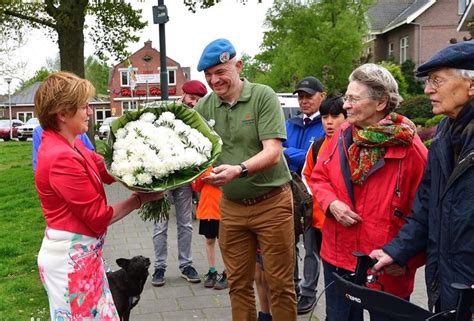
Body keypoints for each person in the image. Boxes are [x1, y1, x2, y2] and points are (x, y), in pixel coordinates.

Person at [34, 71, 163, 320]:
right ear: (62, 113)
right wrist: (140, 199)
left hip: (83, 257)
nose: (90, 111)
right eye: (84, 106)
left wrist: (144, 159)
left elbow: (106, 172)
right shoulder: (61, 157)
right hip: (70, 263)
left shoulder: (73, 143)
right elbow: (97, 217)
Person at [310, 63, 428, 321]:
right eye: (346, 98)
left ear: (381, 102)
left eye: (353, 99)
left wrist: (406, 259)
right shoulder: (342, 135)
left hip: (385, 262)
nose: (346, 106)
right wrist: (331, 204)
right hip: (339, 255)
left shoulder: (413, 151)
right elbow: (319, 177)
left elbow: (427, 212)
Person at [194, 38, 296, 321]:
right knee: (238, 284)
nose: (214, 80)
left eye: (220, 72)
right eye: (208, 75)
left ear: (238, 66)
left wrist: (238, 169)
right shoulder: (205, 106)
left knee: (280, 285)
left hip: (272, 204)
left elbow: (273, 151)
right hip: (232, 206)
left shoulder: (263, 95)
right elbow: (192, 151)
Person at [370, 41, 474, 316]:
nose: (427, 89)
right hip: (446, 285)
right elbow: (425, 207)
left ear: (471, 86)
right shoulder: (442, 137)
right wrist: (396, 251)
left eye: (436, 81)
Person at [151, 79, 208, 287]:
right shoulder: (166, 112)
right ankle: (159, 267)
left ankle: (186, 264)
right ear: (183, 93)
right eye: (192, 98)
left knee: (185, 223)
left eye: (198, 100)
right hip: (163, 178)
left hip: (184, 177)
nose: (194, 103)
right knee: (160, 224)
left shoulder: (197, 116)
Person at [298, 94, 347, 315]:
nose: (329, 122)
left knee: (340, 269)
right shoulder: (317, 147)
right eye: (325, 116)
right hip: (316, 217)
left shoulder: (353, 145)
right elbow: (306, 176)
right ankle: (308, 293)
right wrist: (321, 197)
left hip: (341, 221)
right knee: (312, 254)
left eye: (335, 116)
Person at [191, 166, 228, 290]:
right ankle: (212, 271)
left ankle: (228, 272)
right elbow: (196, 187)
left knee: (225, 243)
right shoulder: (205, 164)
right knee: (209, 240)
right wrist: (203, 174)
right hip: (208, 209)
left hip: (224, 209)